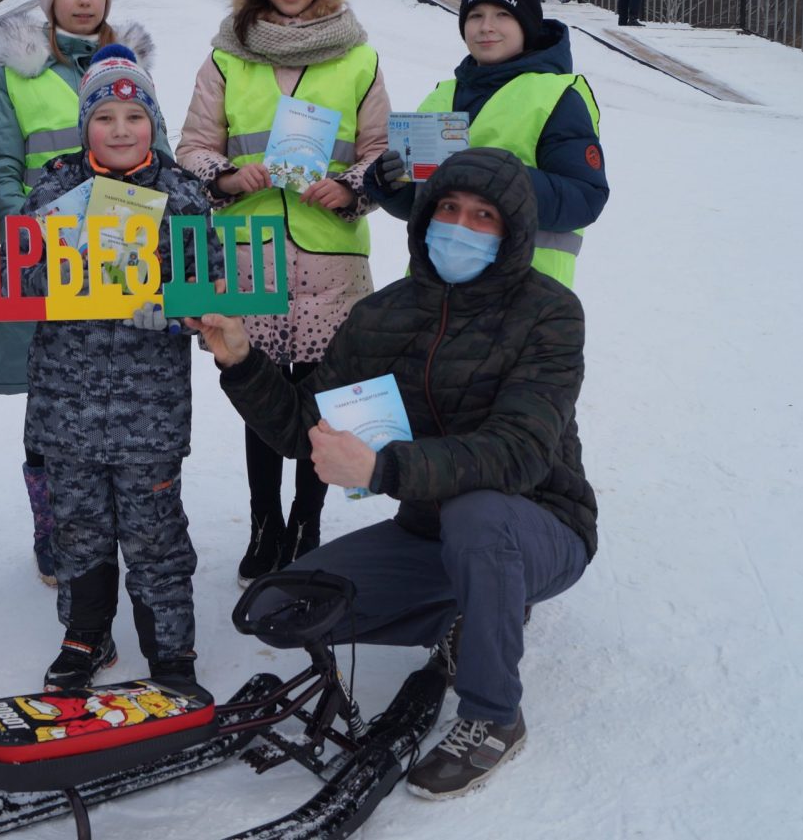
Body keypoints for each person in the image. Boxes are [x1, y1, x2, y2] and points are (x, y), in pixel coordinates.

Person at [189, 146, 598, 800]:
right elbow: (304, 426)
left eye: (483, 215)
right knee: (279, 606)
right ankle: (479, 608)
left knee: (478, 513)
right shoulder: (384, 314)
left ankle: (494, 715)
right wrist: (240, 361)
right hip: (431, 533)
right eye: (449, 208)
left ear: (513, 228)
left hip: (539, 522)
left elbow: (519, 450)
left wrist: (385, 467)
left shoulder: (548, 312)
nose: (460, 225)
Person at [176, 0, 390, 586]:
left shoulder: (358, 56)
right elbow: (192, 147)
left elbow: (384, 154)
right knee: (258, 394)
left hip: (332, 257)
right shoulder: (226, 55)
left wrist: (351, 186)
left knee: (322, 396)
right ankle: (264, 522)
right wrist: (229, 177)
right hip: (250, 249)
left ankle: (309, 521)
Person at [22, 45, 222, 695]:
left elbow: (211, 282)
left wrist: (172, 307)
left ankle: (171, 652)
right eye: (103, 115)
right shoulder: (53, 188)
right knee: (78, 530)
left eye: (132, 117)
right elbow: (19, 276)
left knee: (155, 533)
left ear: (152, 123)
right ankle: (85, 635)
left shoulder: (181, 193)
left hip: (149, 411)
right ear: (85, 123)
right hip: (66, 403)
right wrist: (57, 273)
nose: (118, 129)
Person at [0, 0, 170, 587]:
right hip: (44, 261)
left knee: (120, 396)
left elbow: (160, 159)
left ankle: (115, 529)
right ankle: (52, 528)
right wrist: (32, 231)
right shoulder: (15, 74)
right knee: (51, 399)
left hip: (123, 257)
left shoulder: (133, 68)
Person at [371, 0, 606, 290]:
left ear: (527, 25)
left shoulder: (556, 96)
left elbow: (584, 199)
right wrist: (390, 185)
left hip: (522, 298)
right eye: (475, 15)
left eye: (502, 15)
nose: (486, 27)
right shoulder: (442, 95)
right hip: (433, 296)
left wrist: (495, 178)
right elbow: (421, 204)